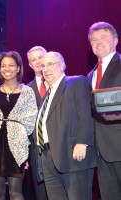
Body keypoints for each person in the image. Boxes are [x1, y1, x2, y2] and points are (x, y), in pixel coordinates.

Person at [37, 51, 96, 200]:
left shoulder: (76, 82)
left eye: (50, 64)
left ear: (62, 65)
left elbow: (85, 114)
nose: (46, 69)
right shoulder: (46, 95)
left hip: (72, 154)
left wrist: (82, 142)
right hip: (48, 156)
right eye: (43, 66)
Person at [0, 51, 38, 200]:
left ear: (18, 68)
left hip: (16, 146)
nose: (7, 68)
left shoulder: (27, 92)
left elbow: (31, 118)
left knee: (16, 192)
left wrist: (19, 137)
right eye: (3, 66)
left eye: (11, 65)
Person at [87, 21, 121, 200]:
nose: (97, 42)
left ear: (115, 40)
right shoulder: (90, 75)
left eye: (103, 37)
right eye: (93, 40)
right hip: (100, 151)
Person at [26, 46, 48, 200]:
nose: (38, 62)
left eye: (41, 57)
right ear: (30, 65)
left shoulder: (63, 83)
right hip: (36, 151)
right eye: (34, 60)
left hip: (61, 150)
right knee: (41, 194)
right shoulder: (25, 90)